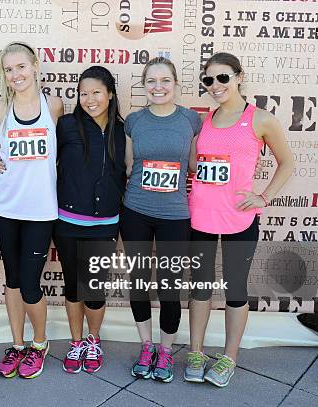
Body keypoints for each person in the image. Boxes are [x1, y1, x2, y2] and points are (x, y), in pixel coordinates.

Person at [185, 52, 294, 387]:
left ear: (239, 77)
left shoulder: (260, 119)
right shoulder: (203, 120)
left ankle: (229, 357)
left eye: (222, 78)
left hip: (240, 219)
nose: (215, 85)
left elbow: (287, 163)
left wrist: (263, 196)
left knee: (235, 289)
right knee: (200, 288)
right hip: (201, 215)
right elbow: (194, 165)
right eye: (208, 80)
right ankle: (196, 351)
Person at [121, 57, 202, 383]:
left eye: (165, 80)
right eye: (151, 81)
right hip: (136, 210)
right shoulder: (133, 120)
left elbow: (195, 164)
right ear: (143, 85)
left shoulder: (190, 120)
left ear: (176, 84)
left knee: (170, 286)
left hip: (175, 215)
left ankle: (166, 350)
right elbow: (130, 166)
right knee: (139, 281)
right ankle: (146, 345)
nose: (158, 87)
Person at [0, 42, 63, 379]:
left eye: (21, 67)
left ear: (35, 66)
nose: (15, 75)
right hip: (5, 207)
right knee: (14, 279)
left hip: (41, 209)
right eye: (8, 69)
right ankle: (17, 345)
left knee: (31, 283)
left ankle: (40, 343)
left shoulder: (55, 106)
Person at [54, 66, 126, 374]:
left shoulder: (124, 130)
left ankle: (93, 340)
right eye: (83, 93)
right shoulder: (66, 125)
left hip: (106, 222)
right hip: (67, 221)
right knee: (73, 287)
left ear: (110, 94)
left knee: (94, 290)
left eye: (96, 92)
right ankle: (76, 341)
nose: (89, 99)